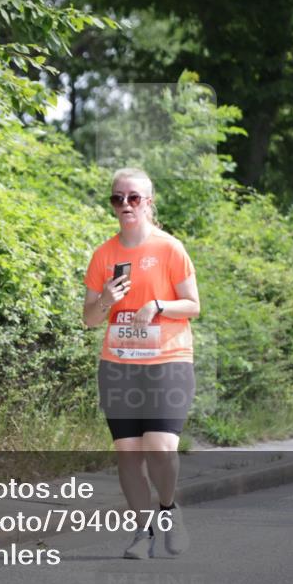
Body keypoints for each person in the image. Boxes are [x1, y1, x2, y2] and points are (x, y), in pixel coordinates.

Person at [82, 167, 200, 559]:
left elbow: (193, 305)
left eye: (134, 198)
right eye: (118, 198)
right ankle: (142, 532)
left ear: (149, 203)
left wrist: (158, 306)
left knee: (161, 448)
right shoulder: (104, 254)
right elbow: (89, 318)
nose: (125, 205)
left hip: (168, 360)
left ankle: (169, 510)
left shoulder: (170, 248)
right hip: (119, 364)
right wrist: (106, 301)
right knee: (129, 453)